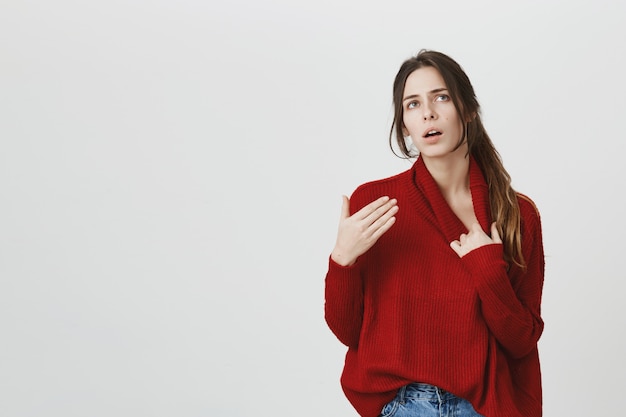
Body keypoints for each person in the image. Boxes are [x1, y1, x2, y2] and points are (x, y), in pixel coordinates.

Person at [324, 50, 545, 417]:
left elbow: (521, 341)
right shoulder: (375, 203)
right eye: (413, 104)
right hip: (401, 406)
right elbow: (348, 332)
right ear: (405, 125)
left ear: (468, 110)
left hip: (482, 407)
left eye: (441, 97)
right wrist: (342, 260)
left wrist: (488, 271)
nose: (427, 112)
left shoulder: (516, 214)